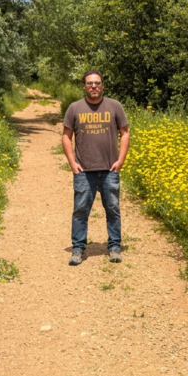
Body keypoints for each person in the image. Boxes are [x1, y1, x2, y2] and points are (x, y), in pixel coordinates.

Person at [61, 70, 130, 266]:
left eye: (97, 83)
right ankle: (78, 249)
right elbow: (66, 136)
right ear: (84, 86)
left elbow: (125, 133)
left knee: (113, 209)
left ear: (102, 86)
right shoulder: (74, 108)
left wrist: (121, 161)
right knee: (80, 210)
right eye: (90, 83)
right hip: (83, 170)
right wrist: (72, 162)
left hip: (110, 170)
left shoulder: (114, 106)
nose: (93, 86)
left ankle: (115, 247)